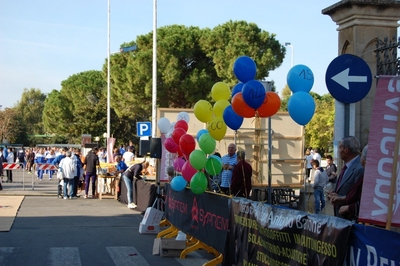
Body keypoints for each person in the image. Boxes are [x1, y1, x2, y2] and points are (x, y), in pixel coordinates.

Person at [328, 136, 364, 219]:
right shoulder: (346, 167)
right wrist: (335, 195)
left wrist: (340, 199)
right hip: (340, 217)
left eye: (340, 147)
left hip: (350, 219)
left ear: (346, 150)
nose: (338, 151)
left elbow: (358, 196)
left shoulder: (359, 168)